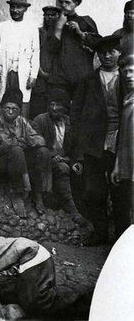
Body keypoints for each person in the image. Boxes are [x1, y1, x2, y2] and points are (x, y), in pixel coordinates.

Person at [72, 35, 124, 245]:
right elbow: (76, 113)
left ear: (119, 53)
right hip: (94, 143)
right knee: (94, 191)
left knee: (120, 192)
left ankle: (121, 240)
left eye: (112, 52)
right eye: (103, 53)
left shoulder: (127, 78)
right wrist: (78, 146)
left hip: (122, 143)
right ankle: (100, 233)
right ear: (98, 56)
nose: (107, 56)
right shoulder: (89, 80)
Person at [0, 89, 51, 217]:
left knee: (43, 152)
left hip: (20, 160)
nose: (11, 112)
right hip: (1, 162)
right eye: (7, 108)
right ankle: (17, 194)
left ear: (19, 110)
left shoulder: (22, 121)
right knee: (16, 150)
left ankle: (38, 194)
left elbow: (40, 140)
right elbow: (6, 142)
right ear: (1, 108)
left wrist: (27, 141)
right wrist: (25, 141)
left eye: (15, 109)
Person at [30, 89, 80, 214]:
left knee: (66, 168)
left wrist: (76, 161)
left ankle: (72, 206)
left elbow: (77, 146)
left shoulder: (70, 123)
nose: (53, 108)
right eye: (51, 104)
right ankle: (39, 198)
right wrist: (52, 155)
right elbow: (34, 143)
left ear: (65, 108)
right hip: (41, 161)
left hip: (63, 161)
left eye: (58, 105)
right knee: (44, 153)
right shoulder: (40, 120)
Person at [0, 0, 39, 117]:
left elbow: (35, 52)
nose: (15, 10)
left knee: (22, 102)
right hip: (4, 71)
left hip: (23, 72)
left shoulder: (31, 28)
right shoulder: (1, 27)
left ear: (25, 9)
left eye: (19, 7)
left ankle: (21, 132)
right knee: (3, 100)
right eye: (12, 7)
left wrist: (33, 75)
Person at [48, 0, 100, 98]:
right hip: (60, 77)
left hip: (81, 75)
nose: (63, 5)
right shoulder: (55, 24)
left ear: (76, 3)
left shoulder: (85, 21)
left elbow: (97, 44)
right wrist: (59, 27)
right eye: (61, 2)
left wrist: (80, 33)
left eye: (67, 2)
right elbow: (51, 48)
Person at [109, 54, 134, 225]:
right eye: (125, 72)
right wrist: (117, 166)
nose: (128, 76)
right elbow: (124, 138)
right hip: (129, 167)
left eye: (132, 71)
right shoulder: (127, 100)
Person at [29, 5, 61, 119]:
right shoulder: (38, 33)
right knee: (38, 109)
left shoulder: (61, 35)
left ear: (58, 16)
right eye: (47, 15)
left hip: (57, 78)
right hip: (40, 77)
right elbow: (31, 53)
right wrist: (40, 72)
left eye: (53, 15)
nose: (50, 18)